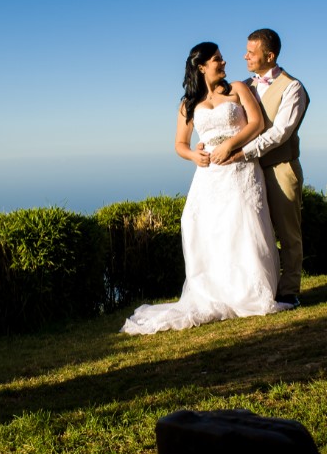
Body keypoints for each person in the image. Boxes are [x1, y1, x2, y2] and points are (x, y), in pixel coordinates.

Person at [121, 42, 292, 336]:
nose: (224, 62)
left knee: (244, 225)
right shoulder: (188, 104)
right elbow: (179, 144)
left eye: (222, 58)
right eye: (217, 59)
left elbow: (257, 123)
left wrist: (230, 144)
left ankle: (251, 292)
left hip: (239, 167)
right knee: (206, 228)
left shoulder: (237, 88)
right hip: (209, 175)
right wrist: (194, 156)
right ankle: (217, 291)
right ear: (201, 67)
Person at [209, 29, 309, 308]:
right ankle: (260, 289)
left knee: (288, 233)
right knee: (254, 233)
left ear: (270, 55)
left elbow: (280, 133)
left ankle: (289, 291)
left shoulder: (293, 88)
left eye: (251, 52)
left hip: (280, 168)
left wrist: (241, 152)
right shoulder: (242, 86)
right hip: (245, 173)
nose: (245, 56)